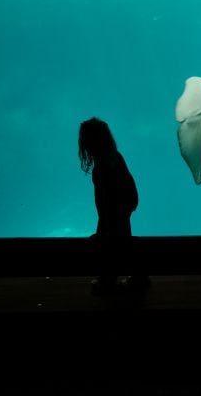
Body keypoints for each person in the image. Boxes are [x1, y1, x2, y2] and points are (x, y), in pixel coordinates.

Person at [78, 117, 150, 295]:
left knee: (109, 244)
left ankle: (108, 280)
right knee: (123, 241)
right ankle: (135, 278)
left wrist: (104, 224)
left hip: (113, 212)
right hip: (125, 206)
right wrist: (129, 205)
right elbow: (128, 183)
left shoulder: (101, 167)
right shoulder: (115, 156)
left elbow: (103, 201)